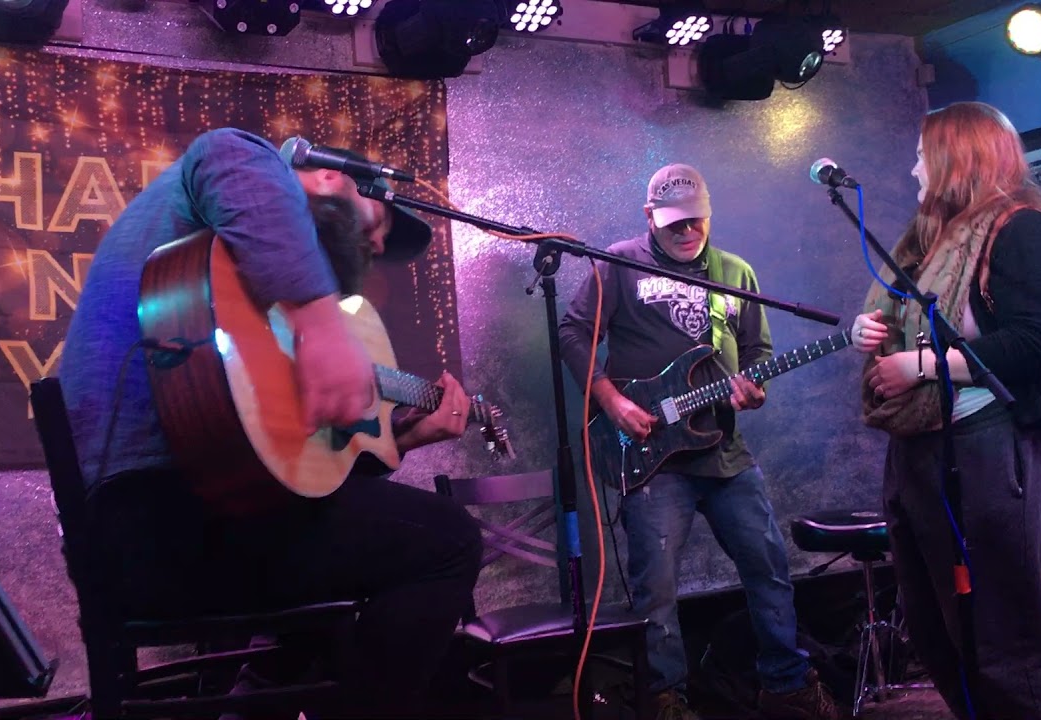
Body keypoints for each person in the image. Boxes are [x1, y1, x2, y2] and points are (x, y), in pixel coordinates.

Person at [57, 127, 483, 718]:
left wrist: (404, 438)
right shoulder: (244, 170)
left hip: (176, 532)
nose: (376, 246)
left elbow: (289, 466)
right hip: (162, 526)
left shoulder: (248, 294)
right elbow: (227, 155)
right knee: (450, 540)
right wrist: (321, 323)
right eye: (378, 224)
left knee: (374, 549)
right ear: (330, 178)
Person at [557, 164, 837, 720]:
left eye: (696, 221)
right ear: (650, 218)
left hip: (724, 451)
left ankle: (785, 685)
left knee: (768, 565)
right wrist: (612, 401)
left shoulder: (735, 273)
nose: (686, 232)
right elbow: (572, 332)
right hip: (653, 458)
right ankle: (664, 698)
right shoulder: (618, 264)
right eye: (674, 224)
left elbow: (757, 352)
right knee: (656, 586)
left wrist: (753, 387)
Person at [850, 101, 1041, 720]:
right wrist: (867, 332)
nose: (913, 167)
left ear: (956, 158)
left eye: (922, 154)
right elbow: (909, 314)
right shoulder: (932, 238)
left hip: (991, 444)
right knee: (936, 631)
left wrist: (922, 367)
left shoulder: (1025, 228)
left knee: (1002, 636)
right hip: (923, 446)